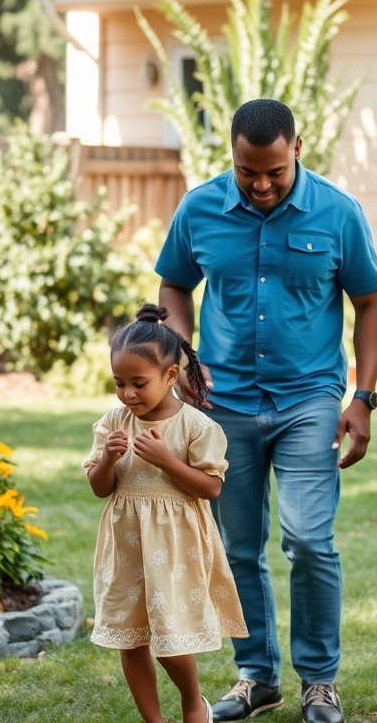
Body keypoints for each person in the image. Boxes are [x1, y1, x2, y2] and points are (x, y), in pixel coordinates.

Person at [155, 98, 377, 723]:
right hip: (222, 402)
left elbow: (370, 302)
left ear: (297, 150)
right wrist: (183, 356)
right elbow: (174, 283)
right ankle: (256, 675)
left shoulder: (338, 213)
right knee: (238, 547)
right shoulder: (200, 207)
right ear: (232, 157)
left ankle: (319, 681)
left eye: (274, 173)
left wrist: (363, 398)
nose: (260, 185)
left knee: (309, 540)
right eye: (246, 172)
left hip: (309, 399)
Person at [83, 303, 248, 723]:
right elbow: (101, 488)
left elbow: (211, 487)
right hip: (127, 547)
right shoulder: (113, 424)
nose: (128, 394)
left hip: (176, 548)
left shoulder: (197, 426)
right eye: (119, 383)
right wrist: (106, 459)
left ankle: (194, 704)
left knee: (170, 636)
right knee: (130, 637)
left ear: (170, 376)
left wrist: (167, 461)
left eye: (139, 383)